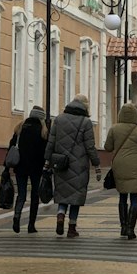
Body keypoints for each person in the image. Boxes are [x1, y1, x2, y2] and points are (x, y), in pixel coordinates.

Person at [45, 93, 100, 239]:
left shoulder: (59, 119)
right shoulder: (86, 122)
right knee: (75, 196)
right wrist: (96, 163)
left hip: (61, 164)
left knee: (63, 194)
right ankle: (72, 228)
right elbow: (90, 146)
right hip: (79, 166)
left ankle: (60, 215)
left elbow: (51, 142)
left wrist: (46, 160)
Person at [103, 102, 137, 239]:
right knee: (134, 198)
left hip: (119, 166)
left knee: (122, 197)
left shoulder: (114, 129)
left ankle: (123, 227)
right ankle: (131, 229)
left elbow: (107, 147)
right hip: (136, 167)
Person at [9, 104, 48, 234]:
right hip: (36, 168)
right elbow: (45, 152)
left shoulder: (20, 128)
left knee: (21, 195)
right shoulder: (42, 131)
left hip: (20, 166)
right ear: (41, 118)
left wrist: (7, 166)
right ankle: (31, 225)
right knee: (35, 196)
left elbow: (11, 146)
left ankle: (17, 216)